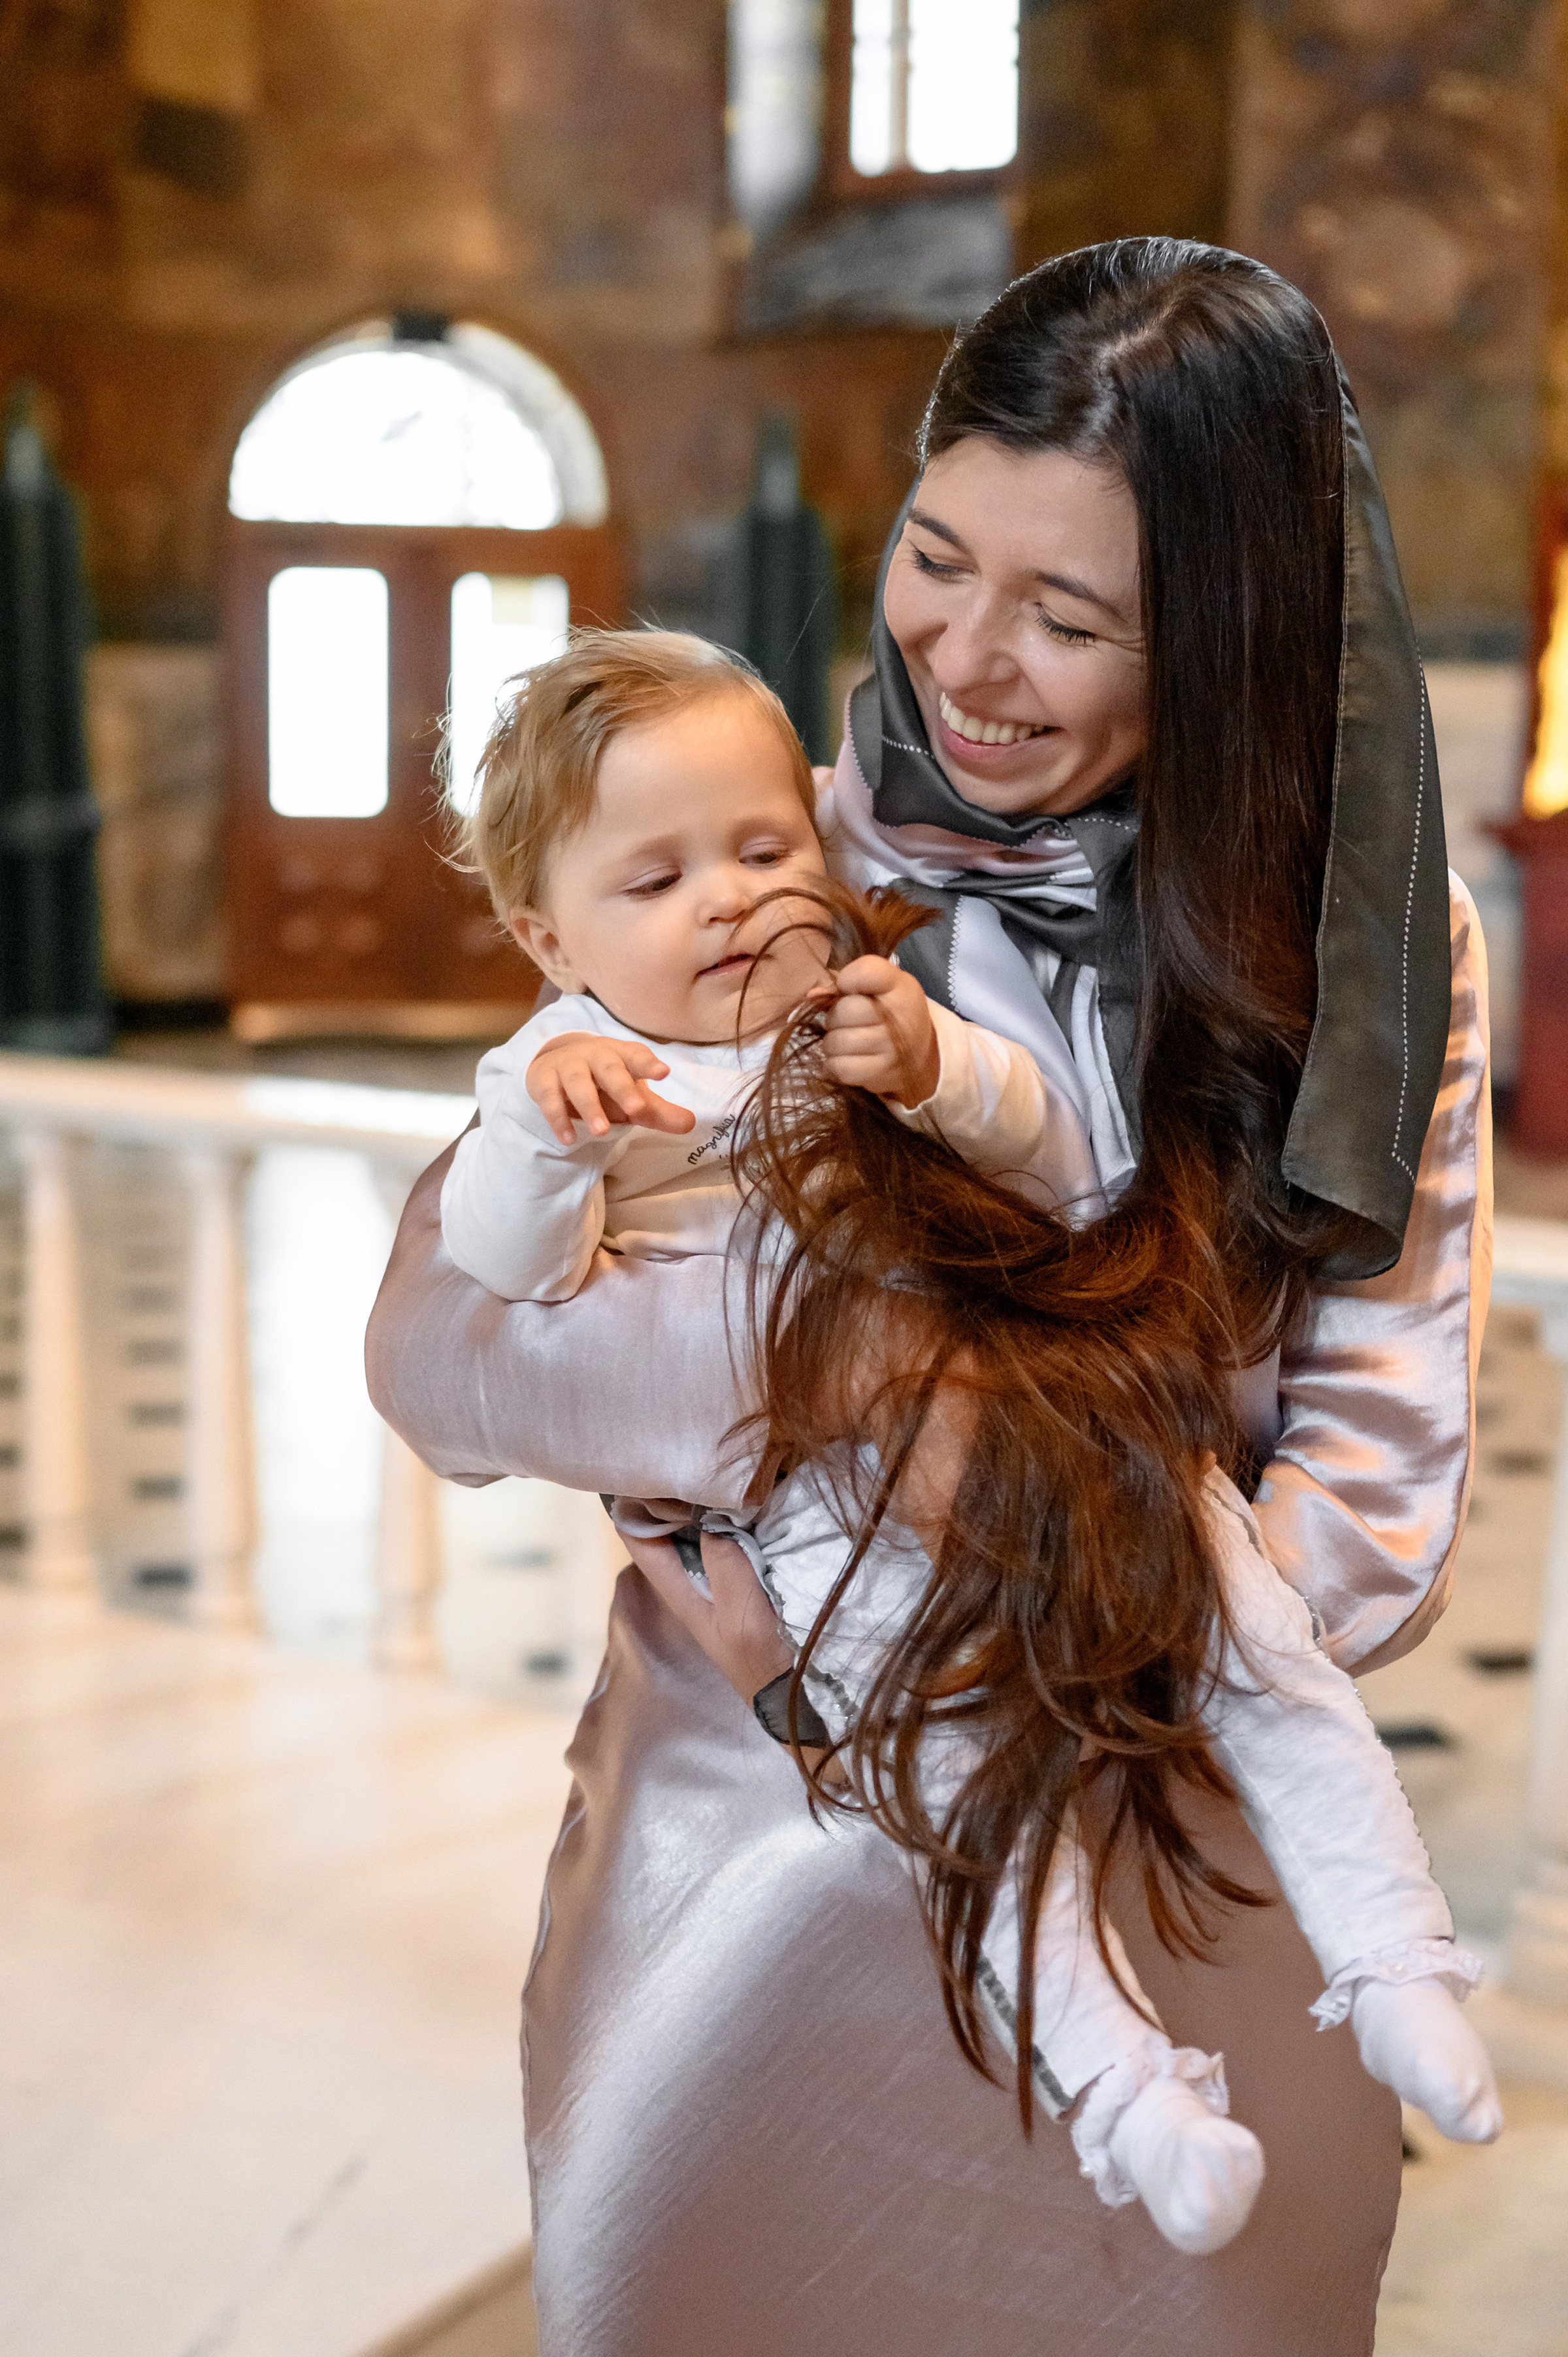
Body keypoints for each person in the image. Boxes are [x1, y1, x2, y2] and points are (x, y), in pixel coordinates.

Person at [367, 239, 1493, 2356]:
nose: (969, 662)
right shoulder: (766, 829)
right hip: (755, 1830)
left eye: (1069, 619)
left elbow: (1378, 1482)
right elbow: (439, 1349)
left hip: (1172, 1838)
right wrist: (847, 1402)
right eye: (937, 560)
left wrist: (1053, 1585)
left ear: (1229, 641)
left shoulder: (1374, 940)